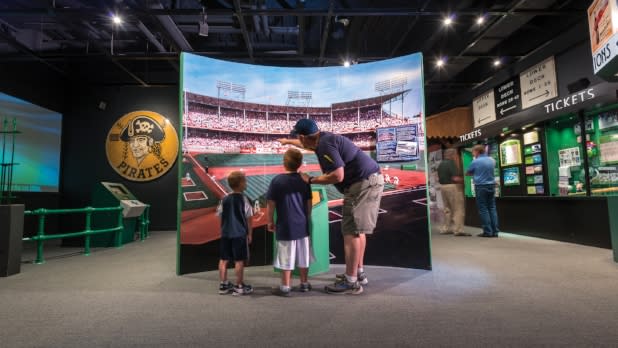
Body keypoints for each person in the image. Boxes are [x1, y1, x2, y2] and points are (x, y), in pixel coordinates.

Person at [279, 118, 384, 295]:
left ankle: (351, 282)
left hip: (361, 184)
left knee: (351, 232)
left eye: (298, 136)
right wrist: (288, 141)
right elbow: (307, 145)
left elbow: (337, 176)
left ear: (304, 137)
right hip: (369, 180)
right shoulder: (323, 138)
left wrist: (310, 180)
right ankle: (358, 273)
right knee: (358, 231)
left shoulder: (325, 146)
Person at [266, 148, 314, 297]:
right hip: (302, 224)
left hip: (285, 225)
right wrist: (305, 217)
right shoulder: (304, 180)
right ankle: (304, 284)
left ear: (284, 162)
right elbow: (309, 203)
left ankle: (285, 287)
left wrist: (269, 221)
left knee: (285, 256)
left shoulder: (277, 180)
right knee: (304, 255)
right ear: (299, 163)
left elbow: (271, 204)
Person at [216, 170, 254, 295]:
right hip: (239, 234)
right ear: (241, 183)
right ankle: (239, 286)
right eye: (245, 181)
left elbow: (220, 215)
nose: (246, 183)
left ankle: (223, 284)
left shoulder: (224, 199)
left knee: (223, 259)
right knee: (239, 260)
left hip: (226, 233)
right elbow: (249, 218)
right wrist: (249, 234)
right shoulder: (244, 199)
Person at [465, 144, 499, 237]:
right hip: (491, 186)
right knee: (492, 208)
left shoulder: (475, 162)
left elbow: (467, 173)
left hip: (481, 187)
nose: (473, 154)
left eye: (473, 152)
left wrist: (476, 173)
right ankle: (495, 231)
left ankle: (488, 231)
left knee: (483, 209)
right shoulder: (492, 160)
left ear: (477, 151)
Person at [437, 148, 469, 236]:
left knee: (447, 209)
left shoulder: (441, 164)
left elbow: (438, 177)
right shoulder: (451, 163)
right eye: (455, 155)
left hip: (443, 187)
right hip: (452, 187)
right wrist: (464, 180)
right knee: (458, 208)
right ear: (452, 155)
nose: (456, 156)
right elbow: (455, 178)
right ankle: (458, 230)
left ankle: (446, 228)